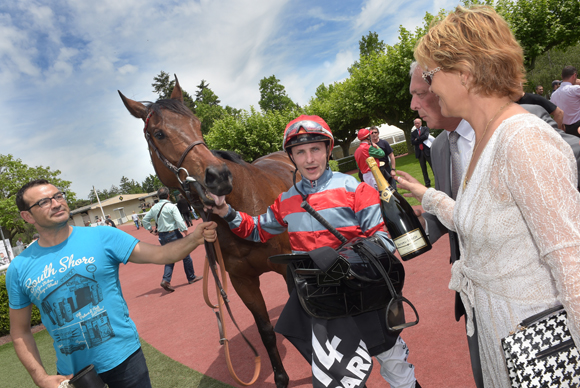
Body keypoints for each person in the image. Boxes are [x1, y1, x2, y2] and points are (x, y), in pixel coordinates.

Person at [398, 6, 580, 387]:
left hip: (537, 347)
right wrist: (426, 195)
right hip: (502, 338)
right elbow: (475, 216)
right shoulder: (487, 140)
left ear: (464, 72)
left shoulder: (523, 140)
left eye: (431, 76)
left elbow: (572, 265)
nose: (428, 89)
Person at [207, 115, 420, 388]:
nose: (309, 159)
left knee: (394, 365)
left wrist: (343, 258)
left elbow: (384, 242)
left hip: (366, 294)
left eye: (316, 149)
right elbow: (256, 230)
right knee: (343, 378)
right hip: (323, 304)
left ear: (328, 150)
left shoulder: (356, 189)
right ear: (292, 157)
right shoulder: (285, 201)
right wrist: (226, 211)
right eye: (300, 152)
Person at [7, 179, 217, 388]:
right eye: (44, 202)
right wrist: (41, 378)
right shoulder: (19, 268)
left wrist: (194, 239)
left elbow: (162, 254)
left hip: (125, 360)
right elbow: (20, 332)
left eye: (58, 196)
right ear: (27, 216)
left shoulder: (102, 236)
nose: (56, 203)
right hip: (72, 375)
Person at [142, 187, 203, 293]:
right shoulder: (171, 206)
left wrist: (151, 231)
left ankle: (166, 280)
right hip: (173, 234)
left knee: (169, 258)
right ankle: (191, 277)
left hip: (162, 236)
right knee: (185, 255)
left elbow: (145, 219)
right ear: (168, 195)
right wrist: (185, 232)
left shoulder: (154, 207)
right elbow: (179, 220)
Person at [550, 66, 580, 138]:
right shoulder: (575, 89)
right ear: (574, 75)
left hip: (564, 130)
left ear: (562, 76)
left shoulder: (554, 95)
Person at [410, 118, 433, 187]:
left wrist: (417, 139)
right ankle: (427, 183)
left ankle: (438, 179)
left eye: (418, 123)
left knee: (432, 166)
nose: (417, 124)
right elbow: (412, 142)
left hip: (427, 151)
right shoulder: (413, 133)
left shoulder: (425, 129)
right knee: (423, 168)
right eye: (415, 123)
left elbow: (426, 136)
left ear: (421, 123)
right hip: (419, 152)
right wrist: (419, 138)